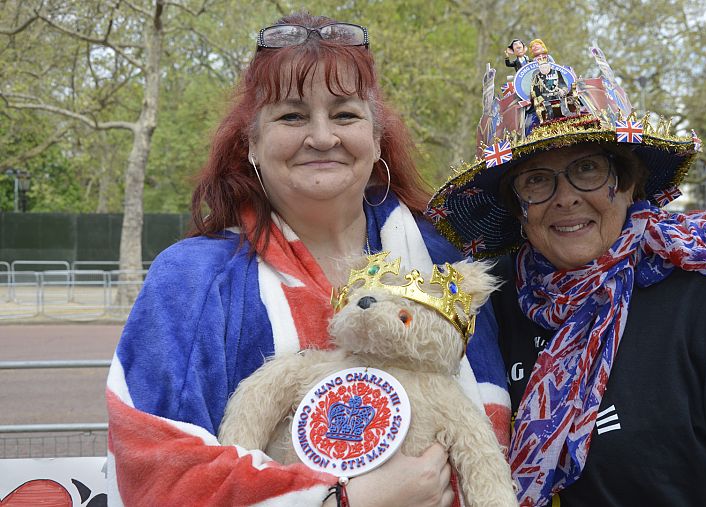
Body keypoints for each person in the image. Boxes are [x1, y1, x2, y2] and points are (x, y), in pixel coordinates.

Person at [426, 40, 706, 507]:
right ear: (516, 205)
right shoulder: (484, 304)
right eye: (536, 179)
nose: (565, 196)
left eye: (588, 168)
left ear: (629, 180)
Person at [105, 13, 509, 507]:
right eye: (292, 116)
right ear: (251, 142)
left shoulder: (448, 263)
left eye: (344, 115)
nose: (321, 137)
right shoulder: (191, 281)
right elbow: (152, 471)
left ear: (377, 138)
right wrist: (344, 498)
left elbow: (500, 439)